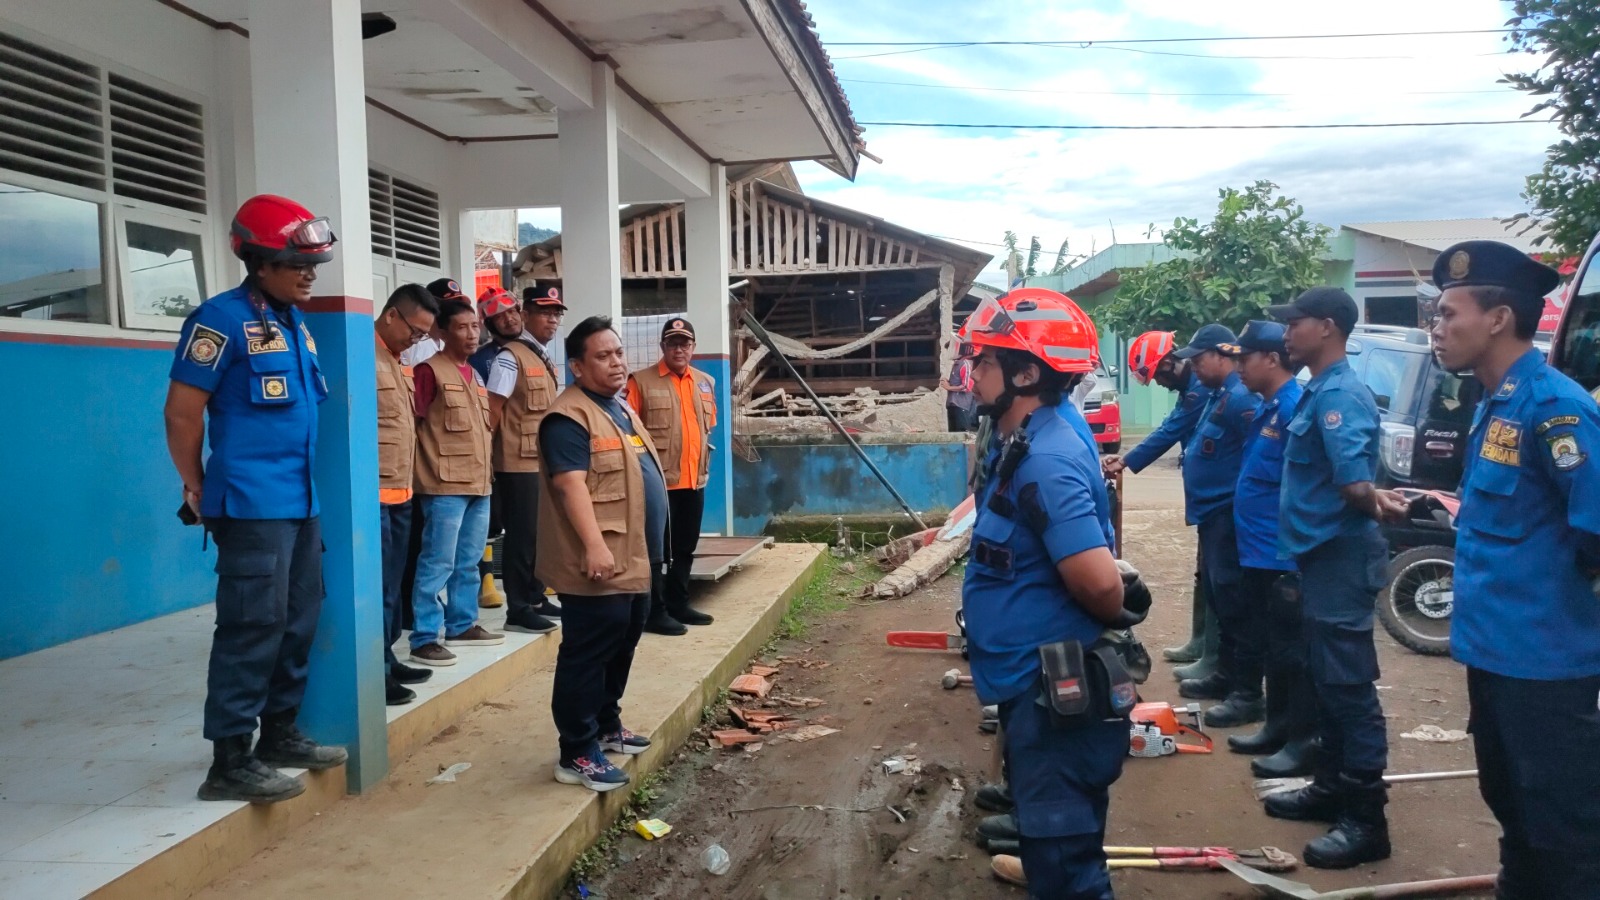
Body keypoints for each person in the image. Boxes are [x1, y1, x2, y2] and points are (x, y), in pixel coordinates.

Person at [960, 291, 1150, 899]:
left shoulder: (1047, 458)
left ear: (1026, 373)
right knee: (1052, 851)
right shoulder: (1025, 442)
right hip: (1029, 683)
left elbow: (1097, 582)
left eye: (984, 361)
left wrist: (1111, 615)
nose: (973, 372)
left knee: (1066, 865)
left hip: (1052, 694)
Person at [1429, 240, 1600, 898]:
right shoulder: (1495, 403)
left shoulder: (1556, 409)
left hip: (1548, 664)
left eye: (1449, 313)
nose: (1437, 328)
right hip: (1496, 654)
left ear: (1498, 319)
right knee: (1517, 815)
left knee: (1567, 833)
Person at [164, 194, 348, 803]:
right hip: (249, 504)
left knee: (298, 620)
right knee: (251, 626)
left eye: (312, 264)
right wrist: (196, 485)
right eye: (297, 263)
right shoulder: (217, 321)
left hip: (299, 501)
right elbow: (183, 414)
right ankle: (229, 760)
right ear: (260, 262)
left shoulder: (295, 323)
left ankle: (279, 733)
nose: (309, 274)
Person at [1264, 287, 1409, 869]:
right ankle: (1330, 787)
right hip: (1319, 557)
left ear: (1325, 327)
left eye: (1293, 324)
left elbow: (1352, 485)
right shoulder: (1319, 390)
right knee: (1326, 681)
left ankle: (1366, 819)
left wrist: (1374, 498)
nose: (1285, 335)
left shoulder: (1340, 395)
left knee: (1349, 690)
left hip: (1340, 560)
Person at [537, 315, 670, 792]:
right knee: (588, 650)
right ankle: (576, 750)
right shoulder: (568, 418)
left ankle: (606, 723)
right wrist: (593, 546)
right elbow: (571, 485)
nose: (616, 362)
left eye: (618, 353)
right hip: (600, 559)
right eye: (603, 355)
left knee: (624, 639)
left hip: (634, 556)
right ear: (576, 366)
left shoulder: (618, 408)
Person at [1218, 322, 1314, 774]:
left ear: (1271, 359)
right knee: (1267, 639)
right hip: (1257, 545)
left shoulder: (1293, 405)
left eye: (1245, 358)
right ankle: (1276, 727)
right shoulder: (1270, 405)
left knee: (1286, 648)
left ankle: (1292, 734)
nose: (1239, 367)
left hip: (1277, 550)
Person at [1106, 331, 1216, 673]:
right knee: (1205, 569)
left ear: (1168, 362)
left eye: (1158, 376)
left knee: (1215, 572)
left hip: (1217, 495)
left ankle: (1212, 652)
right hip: (1205, 493)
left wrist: (1126, 460)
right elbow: (1171, 425)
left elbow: (1171, 432)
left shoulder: (1199, 389)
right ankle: (1202, 642)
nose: (1159, 384)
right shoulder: (1189, 388)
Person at [1166, 325, 1259, 715]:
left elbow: (1254, 460)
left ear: (1223, 355)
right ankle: (1224, 673)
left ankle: (1244, 691)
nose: (1194, 367)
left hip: (1229, 515)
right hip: (1213, 514)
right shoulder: (1220, 395)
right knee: (1220, 597)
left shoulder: (1242, 399)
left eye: (1200, 359)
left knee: (1236, 603)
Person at [408, 298, 505, 667]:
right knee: (437, 562)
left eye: (474, 327)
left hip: (479, 483)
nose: (471, 334)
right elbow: (413, 425)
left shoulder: (476, 375)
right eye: (462, 327)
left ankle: (463, 625)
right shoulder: (428, 371)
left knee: (467, 561)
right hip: (443, 485)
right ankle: (424, 637)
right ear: (442, 332)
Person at [626, 317, 719, 636]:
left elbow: (706, 428)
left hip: (695, 481)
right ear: (663, 346)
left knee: (684, 548)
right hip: (658, 484)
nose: (679, 348)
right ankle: (654, 610)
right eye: (673, 343)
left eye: (685, 343)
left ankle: (679, 603)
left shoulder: (705, 382)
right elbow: (629, 433)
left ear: (693, 347)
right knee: (655, 551)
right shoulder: (640, 382)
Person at [479, 285, 562, 635]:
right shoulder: (509, 357)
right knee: (522, 536)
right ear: (527, 315)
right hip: (515, 462)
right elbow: (493, 411)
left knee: (540, 533)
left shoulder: (539, 354)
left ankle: (536, 594)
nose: (553, 320)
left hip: (539, 460)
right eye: (545, 313)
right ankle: (519, 607)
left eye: (557, 313)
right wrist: (487, 460)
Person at [373, 284, 440, 706]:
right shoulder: (363, 356)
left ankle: (388, 657)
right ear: (392, 315)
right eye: (414, 332)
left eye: (423, 337)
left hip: (401, 492)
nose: (415, 341)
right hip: (374, 494)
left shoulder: (397, 362)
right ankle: (374, 670)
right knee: (377, 589)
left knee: (394, 586)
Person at [946, 331, 979, 432]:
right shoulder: (957, 364)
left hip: (962, 405)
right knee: (953, 435)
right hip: (952, 404)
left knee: (963, 433)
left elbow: (967, 386)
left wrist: (949, 387)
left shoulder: (965, 364)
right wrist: (948, 382)